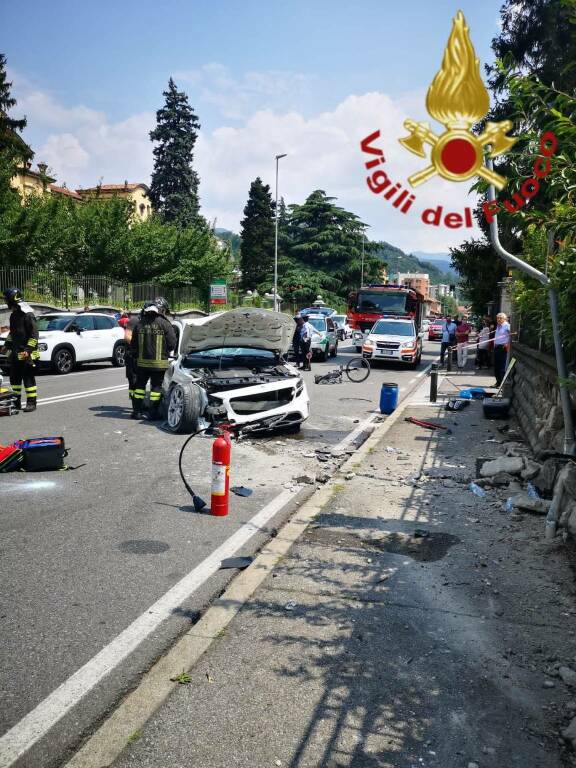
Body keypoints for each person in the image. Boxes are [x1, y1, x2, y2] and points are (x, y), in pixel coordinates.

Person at [129, 303, 177, 420]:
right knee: (156, 388)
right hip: (159, 364)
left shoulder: (140, 324)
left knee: (140, 387)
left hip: (142, 364)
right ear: (158, 311)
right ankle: (153, 413)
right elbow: (172, 344)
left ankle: (137, 412)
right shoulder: (165, 323)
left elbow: (133, 345)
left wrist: (135, 356)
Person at [1, 288, 39, 412]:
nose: (6, 302)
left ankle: (31, 403)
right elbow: (13, 333)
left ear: (13, 300)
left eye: (7, 300)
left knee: (28, 378)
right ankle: (16, 402)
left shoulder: (28, 315)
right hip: (16, 352)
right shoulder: (13, 316)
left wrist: (28, 350)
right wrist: (6, 345)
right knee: (14, 378)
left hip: (26, 353)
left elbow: (34, 335)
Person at [493, 312, 511, 387]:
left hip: (503, 347)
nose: (499, 319)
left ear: (504, 319)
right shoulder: (498, 326)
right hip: (497, 347)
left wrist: (507, 343)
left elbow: (512, 335)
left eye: (500, 318)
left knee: (502, 366)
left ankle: (502, 384)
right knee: (496, 366)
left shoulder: (507, 326)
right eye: (498, 318)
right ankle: (498, 382)